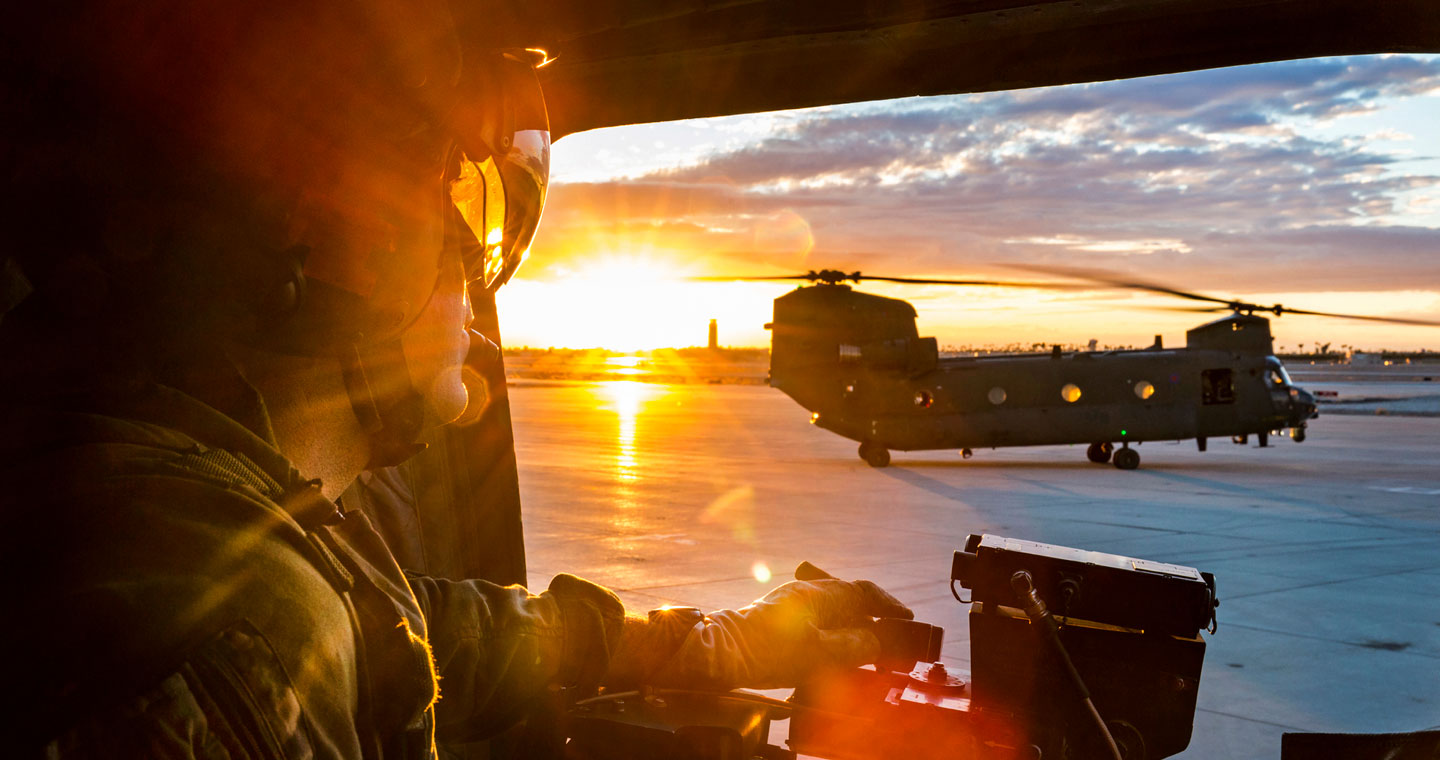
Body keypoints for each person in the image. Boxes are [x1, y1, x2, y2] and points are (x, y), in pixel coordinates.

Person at [0, 1, 911, 756]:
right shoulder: (220, 639)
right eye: (463, 223)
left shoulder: (188, 510)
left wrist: (700, 641)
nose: (474, 287)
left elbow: (395, 633)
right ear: (338, 254)